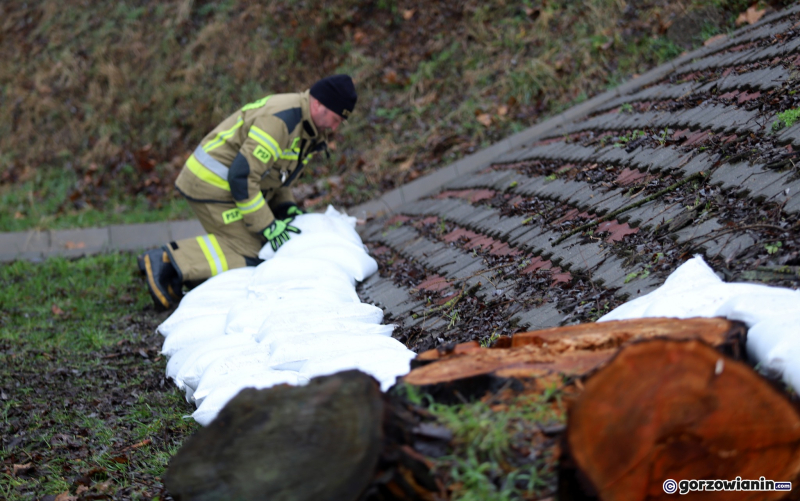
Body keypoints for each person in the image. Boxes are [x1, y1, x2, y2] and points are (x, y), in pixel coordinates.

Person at [138, 74, 357, 310]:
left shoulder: (306, 126)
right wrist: (267, 225)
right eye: (335, 119)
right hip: (211, 184)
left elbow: (278, 174)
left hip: (229, 184)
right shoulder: (281, 121)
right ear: (318, 104)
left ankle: (191, 273)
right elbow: (242, 177)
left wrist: (285, 206)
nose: (334, 128)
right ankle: (169, 262)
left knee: (261, 243)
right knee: (255, 249)